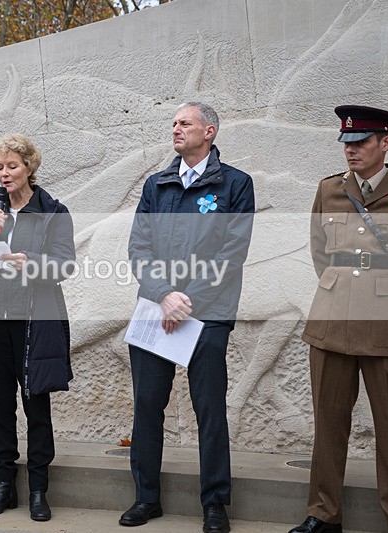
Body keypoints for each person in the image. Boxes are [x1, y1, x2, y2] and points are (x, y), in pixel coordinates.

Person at [123, 103, 255, 531]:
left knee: (209, 409)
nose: (176, 129)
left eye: (185, 123)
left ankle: (215, 502)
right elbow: (138, 250)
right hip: (155, 311)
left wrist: (186, 300)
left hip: (208, 314)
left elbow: (231, 254)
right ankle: (146, 498)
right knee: (146, 405)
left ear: (209, 131)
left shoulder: (236, 184)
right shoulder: (157, 184)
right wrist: (164, 296)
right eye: (174, 123)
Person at [290, 106, 388, 533]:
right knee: (328, 422)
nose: (351, 151)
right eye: (346, 143)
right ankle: (322, 514)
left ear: (386, 143)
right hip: (333, 320)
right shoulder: (330, 191)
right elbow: (321, 254)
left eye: (361, 142)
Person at [0, 133, 76, 522]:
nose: (4, 173)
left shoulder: (54, 212)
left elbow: (65, 265)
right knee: (0, 409)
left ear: (29, 167)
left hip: (34, 324)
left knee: (37, 408)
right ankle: (5, 485)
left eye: (12, 166)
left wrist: (31, 261)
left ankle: (40, 489)